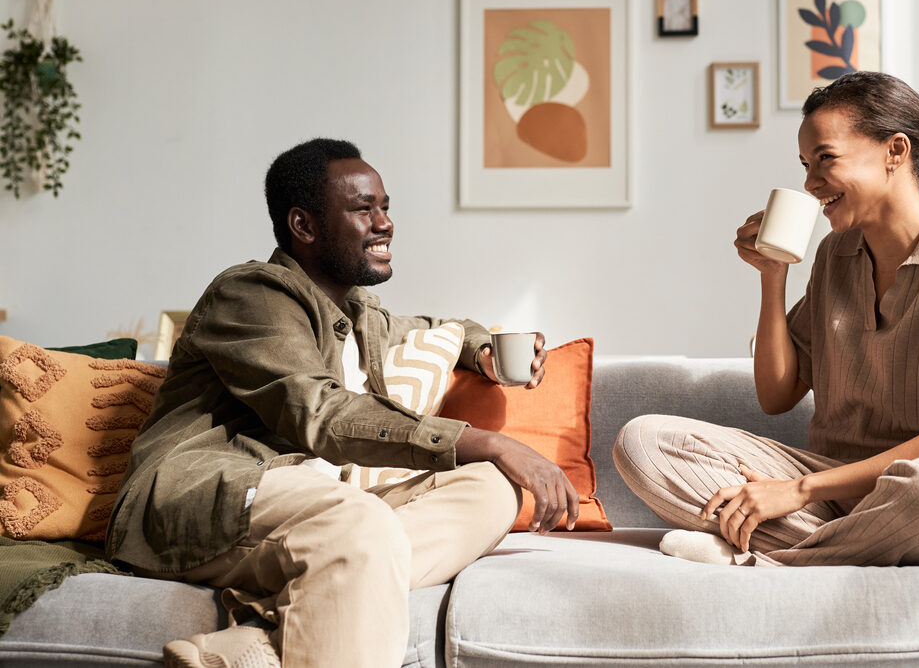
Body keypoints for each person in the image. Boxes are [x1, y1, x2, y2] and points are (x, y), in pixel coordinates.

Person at [107, 138, 578, 668]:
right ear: (303, 226)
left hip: (316, 507)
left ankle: (265, 635)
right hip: (207, 499)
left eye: (385, 207)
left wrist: (484, 351)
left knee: (491, 489)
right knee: (364, 522)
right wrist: (487, 442)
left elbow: (439, 328)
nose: (385, 223)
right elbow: (322, 414)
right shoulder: (250, 295)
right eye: (363, 209)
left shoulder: (358, 313)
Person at [613, 72, 919, 567]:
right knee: (643, 443)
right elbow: (777, 395)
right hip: (837, 486)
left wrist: (797, 491)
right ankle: (854, 544)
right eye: (805, 164)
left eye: (826, 159)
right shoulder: (835, 254)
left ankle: (768, 558)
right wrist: (772, 276)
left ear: (895, 151)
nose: (809, 183)